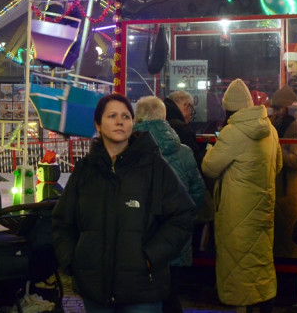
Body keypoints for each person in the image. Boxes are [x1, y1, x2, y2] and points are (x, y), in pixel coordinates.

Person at [53, 94, 195, 313]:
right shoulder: (85, 170)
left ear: (133, 123)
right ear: (98, 125)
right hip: (95, 291)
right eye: (112, 116)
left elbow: (183, 214)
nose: (120, 121)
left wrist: (152, 257)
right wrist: (73, 260)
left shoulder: (154, 166)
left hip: (142, 292)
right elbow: (62, 222)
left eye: (126, 116)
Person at [201, 79, 282, 313]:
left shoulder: (232, 132)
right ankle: (265, 305)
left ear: (228, 109)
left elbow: (210, 168)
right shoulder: (271, 129)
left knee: (238, 264)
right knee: (260, 261)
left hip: (236, 212)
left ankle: (242, 308)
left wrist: (209, 151)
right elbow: (277, 166)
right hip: (263, 207)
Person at [134, 96, 206, 313]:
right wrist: (184, 221)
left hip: (140, 239)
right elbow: (198, 192)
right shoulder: (184, 152)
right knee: (171, 293)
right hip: (175, 239)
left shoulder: (129, 151)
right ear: (164, 117)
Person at [269, 85, 297, 260]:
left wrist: (276, 150)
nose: (274, 112)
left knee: (289, 242)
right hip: (280, 189)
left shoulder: (295, 128)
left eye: (277, 108)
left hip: (290, 190)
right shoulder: (279, 126)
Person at [164, 90, 203, 166]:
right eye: (191, 111)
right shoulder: (182, 129)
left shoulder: (160, 119)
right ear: (186, 105)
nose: (191, 116)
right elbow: (194, 160)